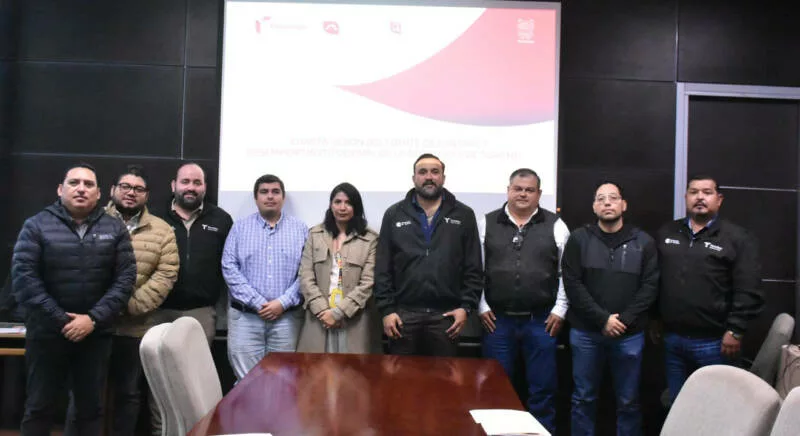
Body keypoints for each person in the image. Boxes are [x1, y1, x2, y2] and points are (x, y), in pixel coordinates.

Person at [12, 163, 136, 436]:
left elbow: (125, 280)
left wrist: (92, 319)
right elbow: (24, 280)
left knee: (90, 410)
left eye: (88, 184)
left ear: (99, 193)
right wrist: (63, 321)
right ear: (60, 189)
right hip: (47, 334)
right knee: (38, 408)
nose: (81, 188)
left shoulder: (115, 229)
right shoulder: (36, 225)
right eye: (74, 182)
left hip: (95, 335)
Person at [562, 181, 659, 436]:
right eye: (601, 198)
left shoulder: (643, 242)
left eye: (613, 198)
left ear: (623, 205)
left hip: (629, 334)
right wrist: (603, 319)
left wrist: (623, 320)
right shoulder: (579, 239)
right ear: (594, 207)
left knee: (629, 401)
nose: (607, 202)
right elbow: (572, 284)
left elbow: (650, 286)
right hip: (586, 333)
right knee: (583, 398)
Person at [655, 175, 763, 404]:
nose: (700, 197)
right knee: (677, 406)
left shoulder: (737, 238)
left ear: (719, 199)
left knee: (716, 408)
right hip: (673, 340)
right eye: (694, 192)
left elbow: (748, 288)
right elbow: (656, 280)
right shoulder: (668, 233)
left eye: (707, 192)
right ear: (686, 197)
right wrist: (654, 318)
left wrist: (735, 330)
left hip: (715, 343)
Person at [477, 168, 570, 434]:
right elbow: (476, 269)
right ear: (508, 190)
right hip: (497, 321)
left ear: (539, 194)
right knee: (496, 388)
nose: (523, 194)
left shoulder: (556, 225)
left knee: (543, 389)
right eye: (518, 189)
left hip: (541, 321)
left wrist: (560, 309)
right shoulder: (487, 222)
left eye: (529, 190)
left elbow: (567, 273)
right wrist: (481, 306)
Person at [374, 153, 482, 357]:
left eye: (435, 172)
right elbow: (383, 268)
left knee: (443, 376)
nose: (429, 177)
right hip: (403, 317)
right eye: (422, 172)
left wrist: (466, 308)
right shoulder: (394, 214)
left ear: (443, 177)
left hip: (446, 318)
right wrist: (387, 310)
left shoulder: (464, 214)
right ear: (414, 178)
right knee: (402, 375)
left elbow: (473, 266)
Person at [222, 174, 308, 380]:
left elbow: (307, 271)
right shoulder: (239, 228)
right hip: (245, 319)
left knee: (283, 381)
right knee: (247, 381)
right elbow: (229, 267)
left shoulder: (300, 229)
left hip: (286, 319)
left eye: (275, 192)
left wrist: (283, 302)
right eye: (264, 192)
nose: (270, 196)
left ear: (283, 198)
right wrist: (258, 302)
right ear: (256, 198)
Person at [297, 182, 381, 354]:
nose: (342, 207)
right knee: (317, 369)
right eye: (338, 202)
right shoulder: (315, 235)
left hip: (354, 320)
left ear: (356, 207)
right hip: (319, 318)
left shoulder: (370, 239)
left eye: (348, 203)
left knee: (353, 369)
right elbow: (305, 275)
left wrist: (338, 313)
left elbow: (368, 282)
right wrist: (323, 311)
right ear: (331, 205)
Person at [154, 162, 232, 343]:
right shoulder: (155, 217)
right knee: (158, 360)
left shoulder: (221, 219)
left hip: (202, 312)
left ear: (205, 187)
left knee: (196, 361)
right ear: (173, 185)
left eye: (197, 182)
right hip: (158, 311)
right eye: (185, 181)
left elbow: (230, 265)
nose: (191, 187)